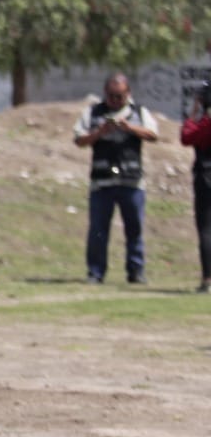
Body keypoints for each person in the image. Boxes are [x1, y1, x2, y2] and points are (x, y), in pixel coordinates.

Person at [74, 72, 159, 284]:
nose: (115, 101)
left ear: (128, 93)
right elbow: (79, 140)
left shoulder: (138, 111)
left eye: (119, 96)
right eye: (111, 96)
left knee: (134, 229)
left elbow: (153, 135)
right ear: (105, 93)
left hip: (131, 181)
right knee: (98, 231)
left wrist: (129, 127)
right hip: (102, 182)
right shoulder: (93, 112)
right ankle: (95, 272)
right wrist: (100, 132)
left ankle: (136, 271)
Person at [180, 80, 211, 294]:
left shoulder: (205, 123)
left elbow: (186, 136)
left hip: (206, 176)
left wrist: (194, 113)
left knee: (207, 229)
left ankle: (208, 279)